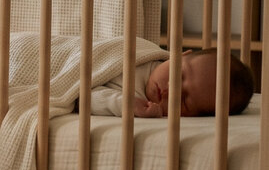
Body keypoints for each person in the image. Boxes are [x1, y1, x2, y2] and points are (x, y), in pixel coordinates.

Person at [90, 47, 255, 117]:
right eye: (179, 75)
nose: (171, 90)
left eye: (184, 100)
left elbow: (84, 96)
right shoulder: (145, 52)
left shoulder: (137, 99)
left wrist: (126, 105)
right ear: (181, 55)